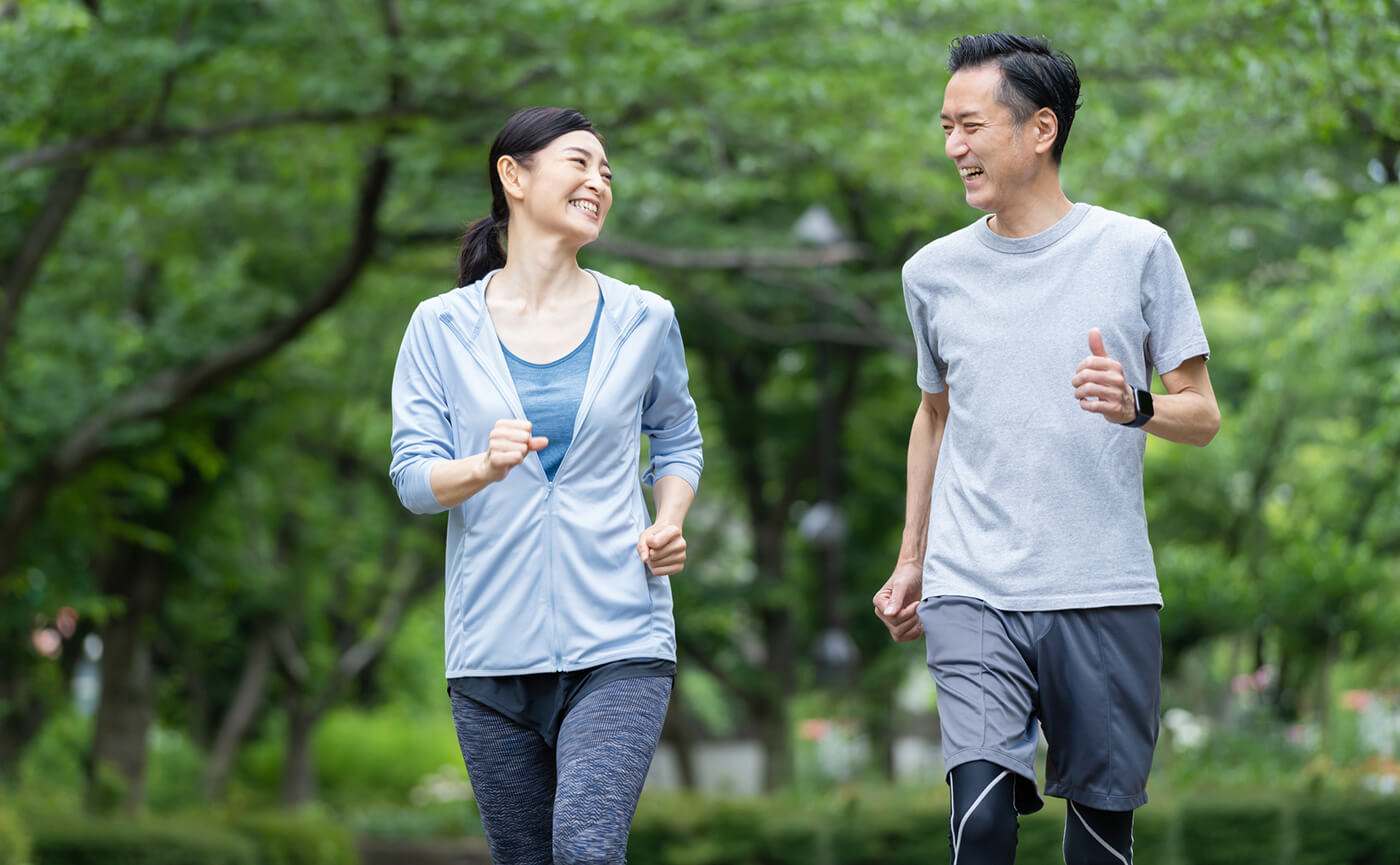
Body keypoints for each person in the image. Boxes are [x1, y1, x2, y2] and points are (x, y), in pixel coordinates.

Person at [872, 34, 1220, 865]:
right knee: (982, 818)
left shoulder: (1137, 250)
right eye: (945, 127)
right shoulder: (932, 274)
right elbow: (933, 415)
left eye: (971, 125)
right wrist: (912, 557)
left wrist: (1137, 406)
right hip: (972, 585)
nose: (953, 147)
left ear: (1041, 129)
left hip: (1104, 585)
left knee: (1100, 844)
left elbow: (1201, 414)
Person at [389, 106, 702, 864]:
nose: (598, 181)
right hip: (490, 653)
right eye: (580, 163)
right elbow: (411, 477)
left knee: (587, 848)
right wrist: (480, 466)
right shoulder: (439, 327)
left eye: (607, 172)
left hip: (621, 637)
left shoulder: (643, 317)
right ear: (514, 176)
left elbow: (678, 438)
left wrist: (669, 519)